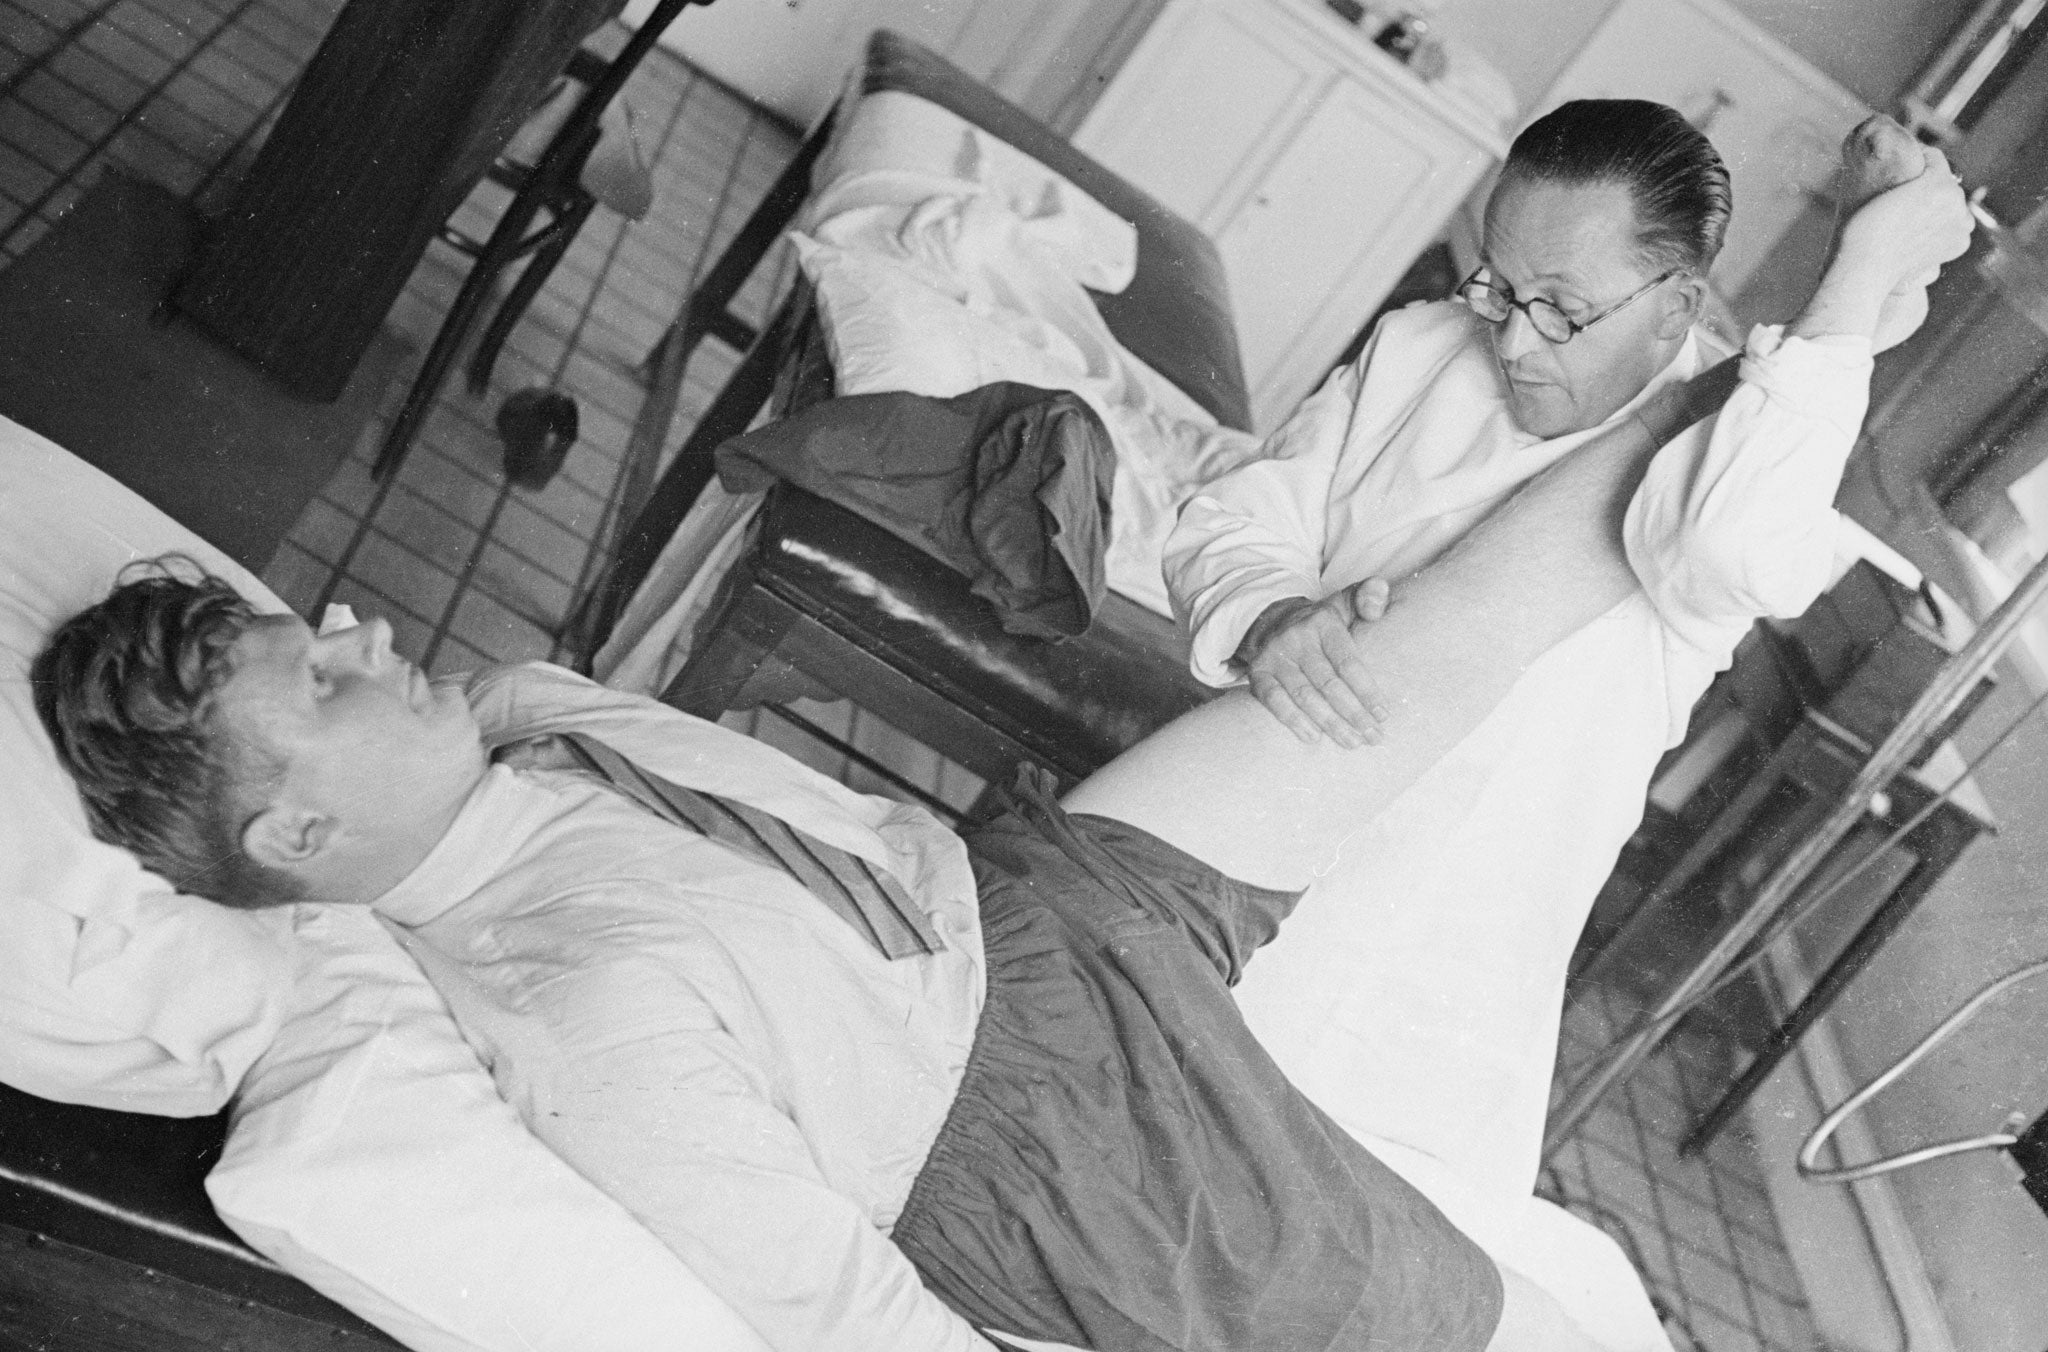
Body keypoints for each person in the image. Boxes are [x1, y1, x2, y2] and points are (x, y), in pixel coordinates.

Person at [33, 133, 1967, 1352]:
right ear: (291, 837)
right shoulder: (567, 1010)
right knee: (1481, 1319)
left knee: (1435, 637)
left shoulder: (528, 718)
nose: (367, 626)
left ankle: (1852, 281)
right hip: (1036, 1122)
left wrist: (1281, 623)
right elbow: (835, 1312)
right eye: (326, 671)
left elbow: (1672, 540)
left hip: (1032, 893)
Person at [1160, 99, 1972, 1208]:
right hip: (1228, 833)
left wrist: (1863, 262)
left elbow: (1732, 544)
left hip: (1414, 965)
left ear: (1675, 303)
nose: (1510, 337)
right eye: (1495, 284)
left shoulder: (1718, 453)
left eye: (1560, 307)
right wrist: (1268, 615)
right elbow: (1232, 519)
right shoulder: (1418, 348)